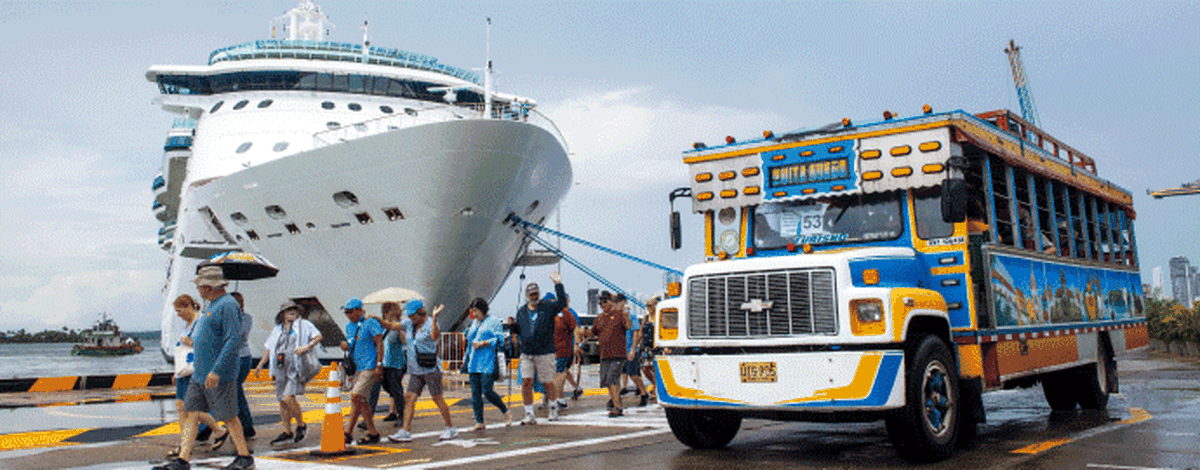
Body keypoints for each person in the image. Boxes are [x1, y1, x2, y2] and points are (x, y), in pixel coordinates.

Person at [155, 266, 253, 470]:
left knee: (229, 416)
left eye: (199, 285)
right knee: (190, 413)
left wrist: (217, 370)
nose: (197, 289)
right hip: (200, 374)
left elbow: (232, 339)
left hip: (218, 374)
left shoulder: (228, 305)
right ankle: (183, 460)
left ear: (208, 287)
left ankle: (244, 456)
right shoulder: (212, 304)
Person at [166, 294, 227, 459]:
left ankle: (189, 445)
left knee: (190, 410)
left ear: (188, 307)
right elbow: (181, 351)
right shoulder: (187, 325)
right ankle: (214, 432)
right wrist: (176, 371)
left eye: (179, 310)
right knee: (181, 407)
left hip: (196, 370)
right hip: (183, 371)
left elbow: (210, 345)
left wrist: (192, 343)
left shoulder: (201, 322)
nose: (178, 314)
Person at [388, 300, 459, 442]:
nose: (412, 319)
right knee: (409, 398)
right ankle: (405, 431)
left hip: (431, 368)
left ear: (421, 313)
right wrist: (378, 319)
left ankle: (450, 428)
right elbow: (391, 326)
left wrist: (435, 318)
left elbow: (434, 335)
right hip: (415, 369)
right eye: (410, 316)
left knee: (437, 398)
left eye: (414, 316)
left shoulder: (430, 323)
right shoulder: (408, 324)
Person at [253, 300, 322, 446]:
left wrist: (307, 346)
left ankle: (301, 425)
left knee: (288, 398)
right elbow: (269, 348)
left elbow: (318, 336)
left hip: (294, 367)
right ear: (283, 314)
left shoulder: (304, 325)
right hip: (279, 367)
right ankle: (287, 432)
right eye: (288, 310)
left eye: (294, 309)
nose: (292, 312)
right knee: (282, 401)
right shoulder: (278, 329)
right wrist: (260, 365)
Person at [511, 272, 567, 424]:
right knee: (526, 382)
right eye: (531, 294)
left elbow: (562, 303)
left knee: (547, 382)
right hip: (527, 353)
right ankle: (529, 413)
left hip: (545, 352)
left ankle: (553, 408)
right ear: (527, 295)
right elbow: (520, 330)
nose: (534, 296)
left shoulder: (547, 307)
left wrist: (558, 285)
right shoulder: (521, 311)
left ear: (539, 294)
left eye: (536, 293)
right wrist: (513, 328)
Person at [340, 298, 385, 445]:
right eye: (346, 312)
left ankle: (348, 432)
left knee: (355, 396)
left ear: (359, 310)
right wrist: (346, 346)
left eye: (350, 312)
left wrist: (379, 364)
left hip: (370, 366)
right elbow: (352, 344)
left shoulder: (370, 322)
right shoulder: (349, 327)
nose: (348, 315)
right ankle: (373, 433)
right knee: (363, 401)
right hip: (358, 367)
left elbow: (379, 343)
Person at [464, 297, 511, 431]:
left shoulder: (494, 322)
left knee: (487, 391)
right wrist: (466, 358)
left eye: (476, 311)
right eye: (473, 311)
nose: (474, 314)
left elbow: (500, 339)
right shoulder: (474, 323)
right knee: (475, 393)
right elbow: (469, 341)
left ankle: (505, 411)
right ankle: (479, 421)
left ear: (483, 309)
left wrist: (484, 343)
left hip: (487, 361)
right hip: (474, 361)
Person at [589, 291, 632, 418]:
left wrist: (627, 317)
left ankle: (617, 407)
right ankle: (615, 401)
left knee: (613, 378)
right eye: (600, 302)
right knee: (606, 381)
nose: (603, 304)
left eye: (605, 301)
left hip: (618, 354)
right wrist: (581, 332)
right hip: (604, 354)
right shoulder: (599, 318)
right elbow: (593, 332)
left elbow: (628, 327)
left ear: (611, 302)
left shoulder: (620, 314)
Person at [370, 302, 409, 426]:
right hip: (383, 362)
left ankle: (402, 416)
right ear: (387, 312)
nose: (399, 311)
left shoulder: (400, 325)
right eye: (395, 309)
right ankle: (372, 417)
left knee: (396, 390)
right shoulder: (380, 326)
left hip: (396, 363)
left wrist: (399, 329)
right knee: (381, 388)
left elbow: (404, 341)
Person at [228, 292, 256, 440]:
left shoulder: (246, 318)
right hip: (232, 359)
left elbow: (238, 336)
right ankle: (246, 427)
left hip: (241, 358)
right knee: (235, 392)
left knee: (235, 391)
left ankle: (245, 427)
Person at [551, 294, 583, 410]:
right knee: (562, 372)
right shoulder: (554, 313)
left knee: (561, 373)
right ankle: (574, 389)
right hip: (555, 349)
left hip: (567, 348)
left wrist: (577, 345)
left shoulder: (569, 313)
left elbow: (576, 329)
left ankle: (559, 398)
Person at [620, 301, 650, 406]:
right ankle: (615, 398)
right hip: (620, 351)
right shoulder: (618, 318)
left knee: (633, 374)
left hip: (630, 350)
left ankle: (643, 393)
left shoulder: (633, 318)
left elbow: (636, 333)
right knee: (618, 374)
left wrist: (633, 349)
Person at [637, 297, 659, 399]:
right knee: (645, 368)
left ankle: (655, 389)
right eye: (647, 306)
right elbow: (641, 331)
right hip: (646, 347)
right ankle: (655, 385)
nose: (648, 307)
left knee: (655, 369)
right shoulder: (646, 317)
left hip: (656, 346)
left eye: (650, 305)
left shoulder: (660, 316)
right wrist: (636, 344)